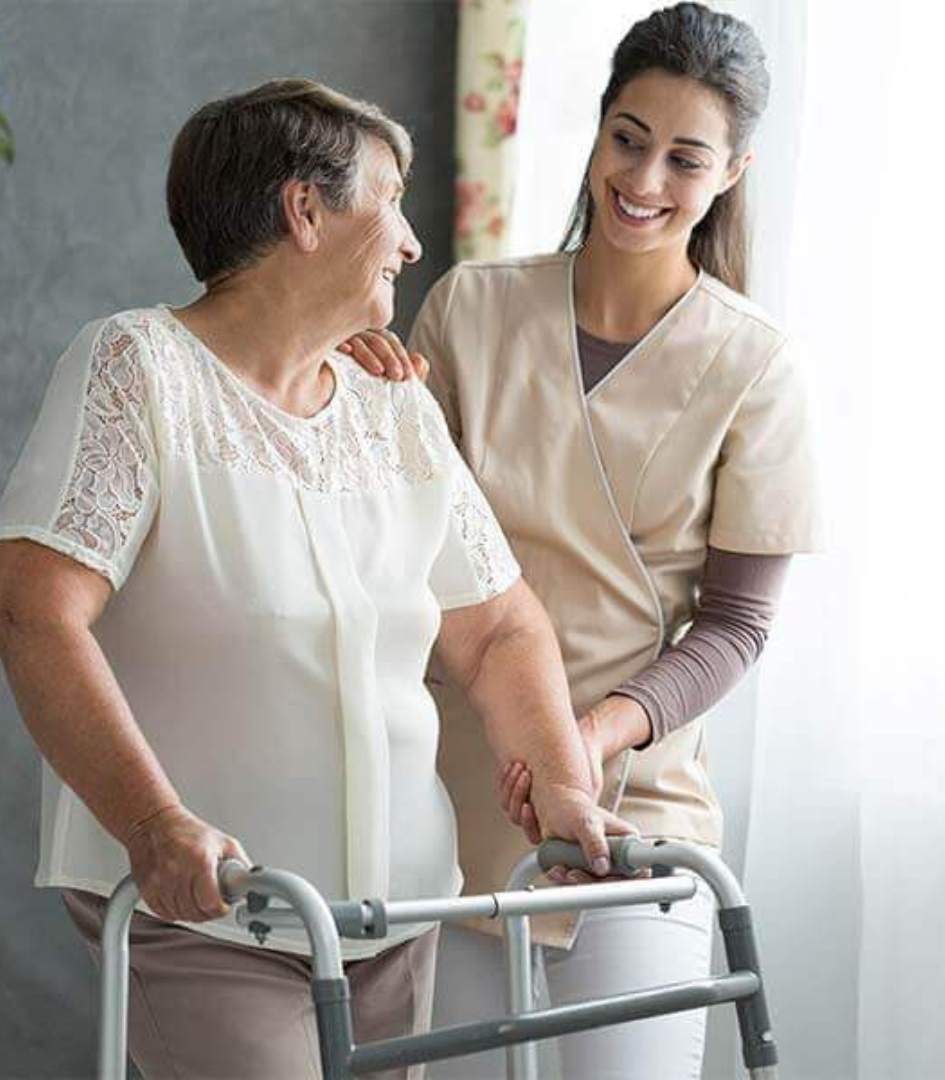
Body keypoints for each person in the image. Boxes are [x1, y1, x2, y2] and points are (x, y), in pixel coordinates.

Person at [0, 78, 637, 1080]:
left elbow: (498, 628)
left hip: (396, 917)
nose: (413, 245)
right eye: (392, 204)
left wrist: (563, 785)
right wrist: (155, 827)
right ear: (306, 210)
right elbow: (27, 607)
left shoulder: (390, 403)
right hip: (211, 914)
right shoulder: (140, 369)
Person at [341, 4, 823, 1077]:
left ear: (732, 172)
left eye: (685, 158)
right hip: (458, 809)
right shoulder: (469, 310)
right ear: (598, 129)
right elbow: (395, 541)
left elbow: (738, 626)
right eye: (628, 138)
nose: (645, 179)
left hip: (636, 814)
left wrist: (599, 732)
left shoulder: (757, 367)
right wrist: (359, 411)